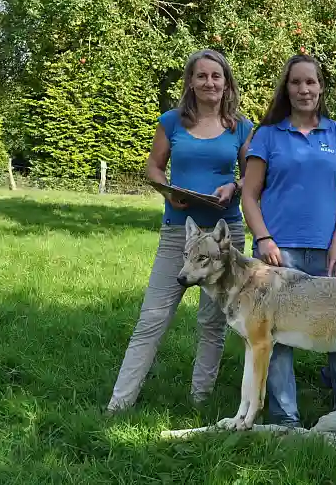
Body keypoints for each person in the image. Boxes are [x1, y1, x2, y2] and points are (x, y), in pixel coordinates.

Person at [106, 49, 254, 413]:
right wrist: (167, 190)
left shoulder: (240, 126)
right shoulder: (172, 121)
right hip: (179, 233)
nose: (209, 82)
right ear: (190, 81)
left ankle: (200, 401)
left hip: (223, 236)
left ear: (226, 82)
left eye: (216, 76)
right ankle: (119, 404)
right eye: (201, 76)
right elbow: (153, 167)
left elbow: (253, 175)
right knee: (153, 317)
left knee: (212, 322)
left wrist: (234, 187)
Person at [240, 54, 336, 427]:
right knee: (275, 337)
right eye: (296, 82)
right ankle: (285, 420)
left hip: (328, 253)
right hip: (277, 253)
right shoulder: (267, 135)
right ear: (287, 88)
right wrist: (263, 238)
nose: (303, 89)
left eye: (311, 82)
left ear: (321, 87)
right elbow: (249, 195)